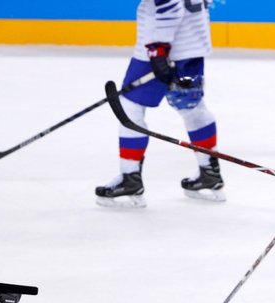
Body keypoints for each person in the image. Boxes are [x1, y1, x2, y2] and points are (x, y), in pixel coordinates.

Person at [95, 0, 225, 208]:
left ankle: (130, 178)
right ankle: (209, 173)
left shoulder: (161, 44)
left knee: (130, 108)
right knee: (192, 108)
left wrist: (158, 49)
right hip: (192, 43)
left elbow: (170, 3)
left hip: (165, 47)